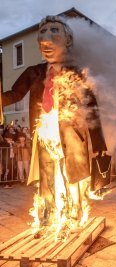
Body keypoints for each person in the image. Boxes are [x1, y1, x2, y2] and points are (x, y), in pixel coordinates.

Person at [1, 16, 108, 231]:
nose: (45, 37)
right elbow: (14, 94)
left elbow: (92, 110)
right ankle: (49, 216)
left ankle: (73, 214)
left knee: (73, 177)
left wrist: (99, 146)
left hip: (72, 137)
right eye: (42, 32)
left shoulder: (78, 73)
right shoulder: (34, 72)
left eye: (53, 31)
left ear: (68, 40)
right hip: (43, 136)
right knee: (47, 179)